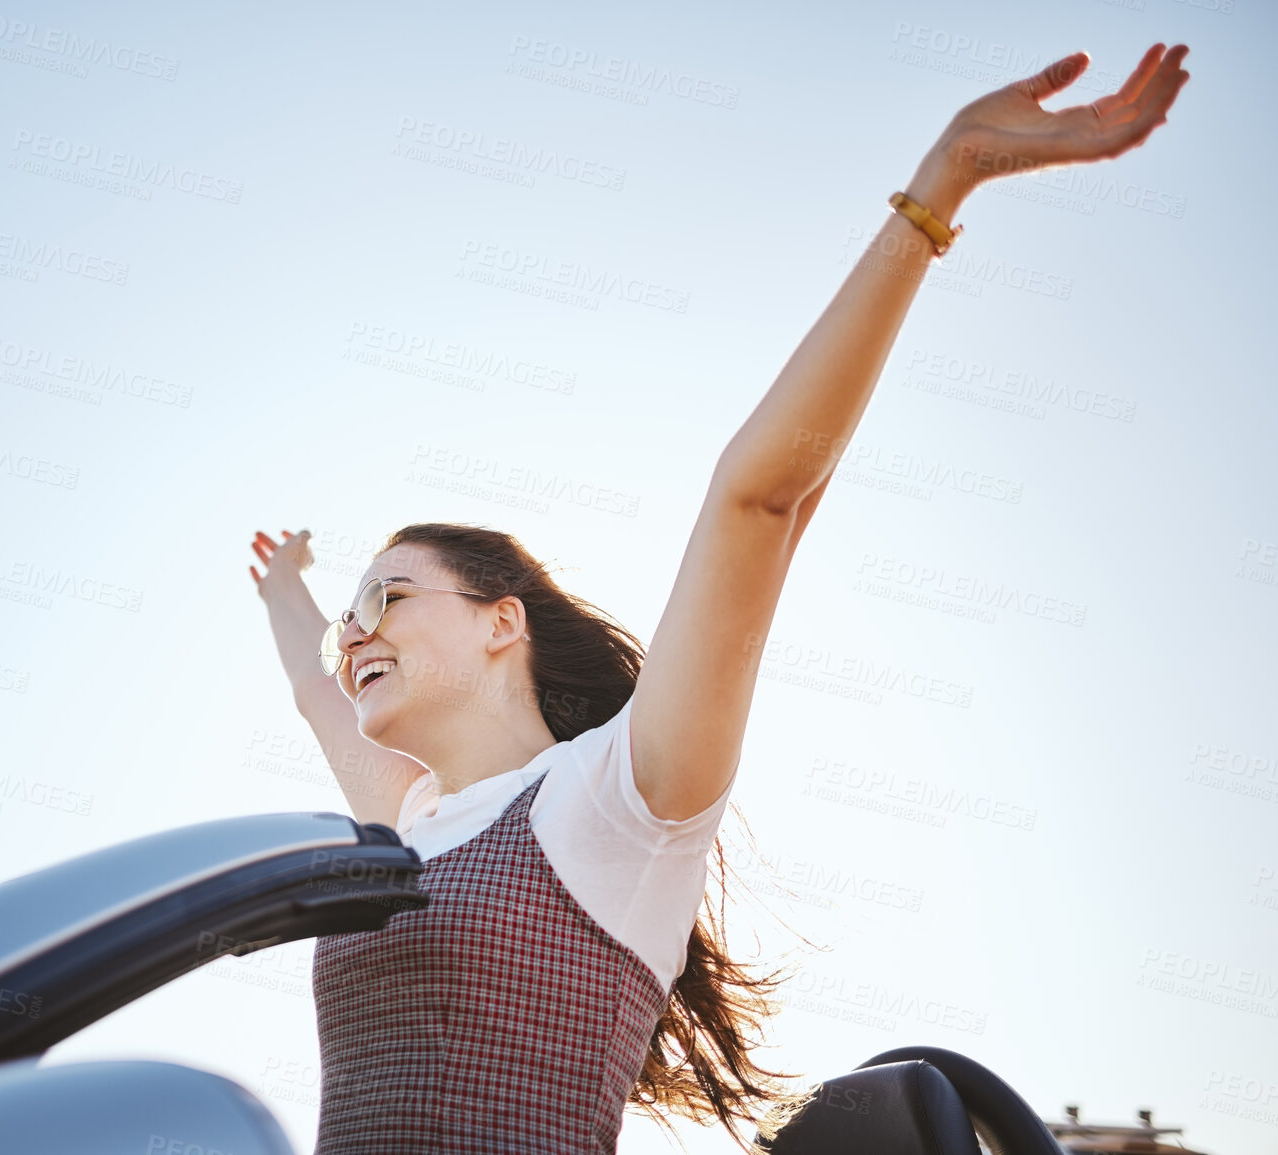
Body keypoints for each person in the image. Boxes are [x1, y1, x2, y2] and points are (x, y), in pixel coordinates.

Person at [248, 43, 1190, 1155]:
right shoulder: (407, 823)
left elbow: (762, 502)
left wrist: (943, 180)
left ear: (504, 622)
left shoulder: (614, 802)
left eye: (393, 595)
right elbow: (321, 689)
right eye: (357, 612)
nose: (360, 628)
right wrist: (289, 587)